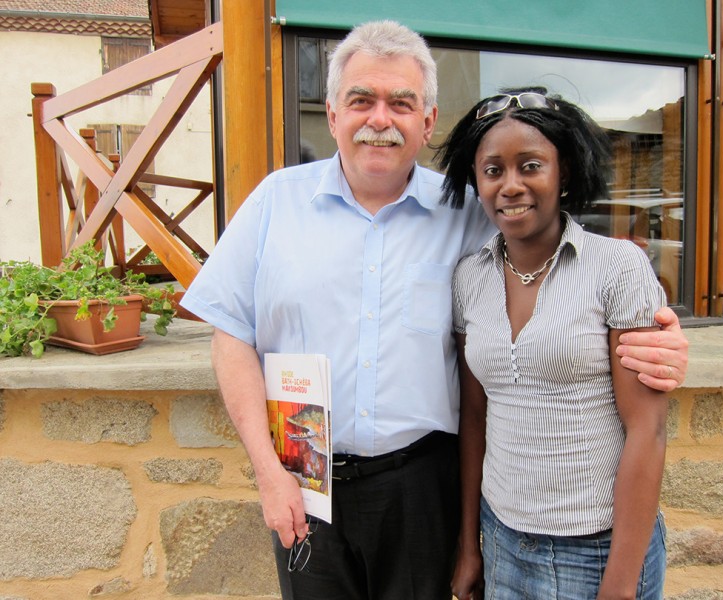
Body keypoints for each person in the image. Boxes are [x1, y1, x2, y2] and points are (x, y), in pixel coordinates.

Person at [181, 21, 687, 600]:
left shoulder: (471, 210)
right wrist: (269, 473)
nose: (380, 119)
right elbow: (231, 335)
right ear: (332, 111)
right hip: (302, 475)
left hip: (421, 486)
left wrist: (662, 331)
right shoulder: (275, 202)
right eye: (361, 100)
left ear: (426, 121)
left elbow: (550, 243)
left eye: (401, 103)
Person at [437, 87, 670, 600]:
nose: (511, 185)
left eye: (531, 166)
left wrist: (621, 582)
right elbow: (474, 417)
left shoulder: (616, 267)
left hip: (600, 550)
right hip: (503, 543)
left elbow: (647, 429)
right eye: (493, 170)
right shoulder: (468, 279)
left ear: (564, 173)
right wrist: (470, 544)